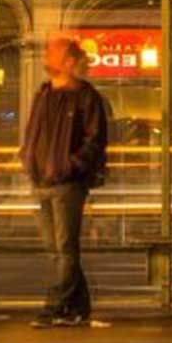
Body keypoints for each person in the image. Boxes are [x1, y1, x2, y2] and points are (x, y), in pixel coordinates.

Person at [19, 33, 110, 327]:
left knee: (64, 248)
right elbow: (33, 131)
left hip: (67, 184)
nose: (46, 56)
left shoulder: (86, 97)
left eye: (53, 52)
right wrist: (28, 160)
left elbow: (95, 141)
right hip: (43, 181)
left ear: (69, 62)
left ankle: (55, 306)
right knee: (57, 248)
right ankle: (79, 307)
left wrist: (70, 166)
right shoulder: (44, 93)